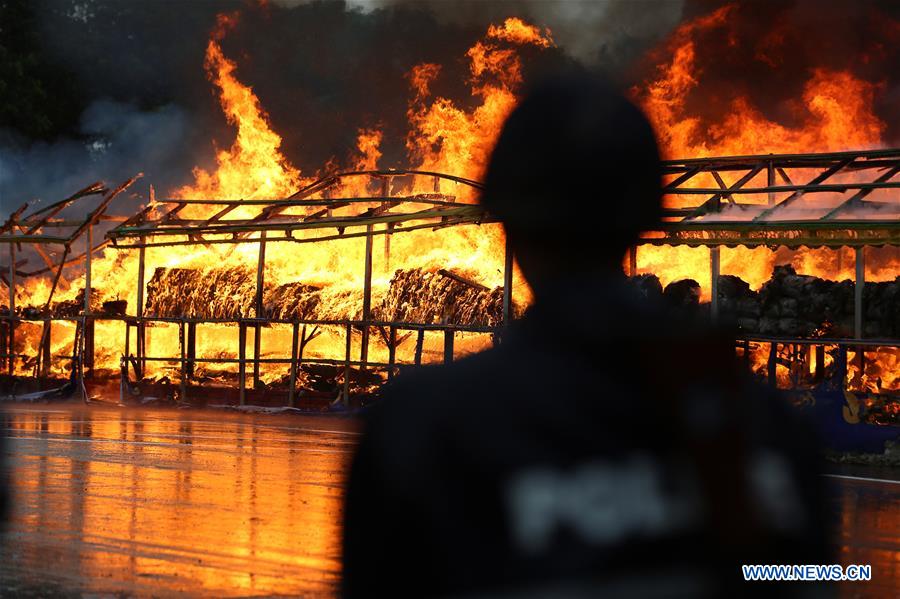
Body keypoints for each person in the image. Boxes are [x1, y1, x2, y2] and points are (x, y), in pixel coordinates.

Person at [342, 75, 826, 597]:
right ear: (651, 217)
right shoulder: (764, 427)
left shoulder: (425, 427)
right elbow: (816, 577)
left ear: (501, 213)